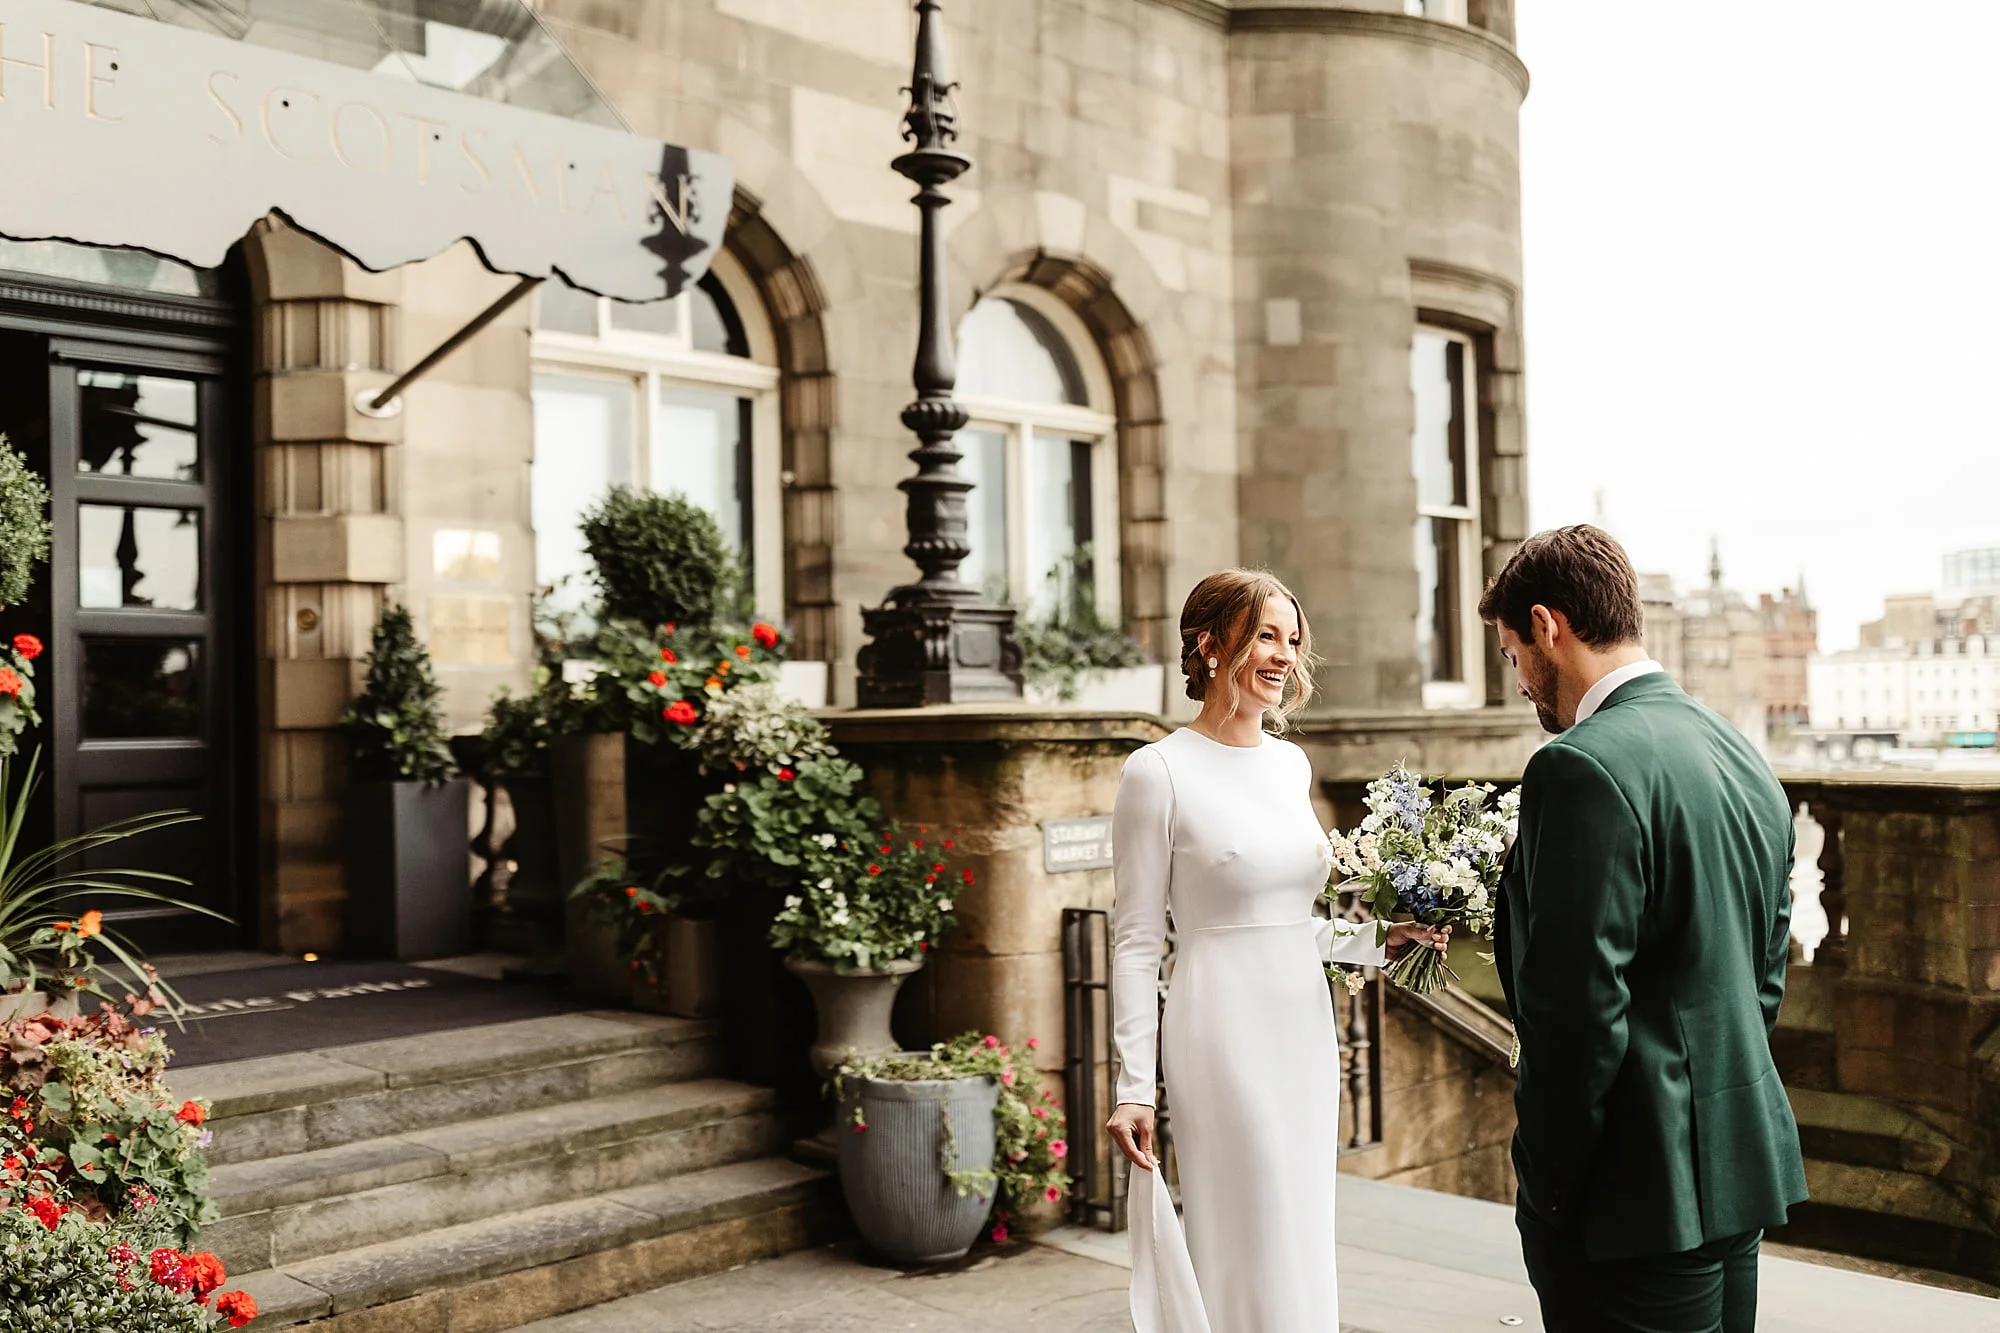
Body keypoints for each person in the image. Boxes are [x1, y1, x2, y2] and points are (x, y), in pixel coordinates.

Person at [1480, 525, 1808, 1333]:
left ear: (1549, 626)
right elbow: (1766, 974)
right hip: (1736, 1167)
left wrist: (1548, 1184)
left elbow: (1578, 1017)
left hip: (1633, 1201)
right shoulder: (1740, 752)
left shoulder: (1579, 766)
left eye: (1512, 652)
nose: (1520, 679)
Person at [1106, 568, 1447, 1333]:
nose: (1283, 655)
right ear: (1209, 642)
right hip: (1220, 1031)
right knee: (1247, 1226)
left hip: (1303, 1028)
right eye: (1265, 634)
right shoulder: (1155, 772)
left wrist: (1378, 939)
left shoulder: (1291, 766)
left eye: (1292, 639)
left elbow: (1291, 921)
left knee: (1300, 1227)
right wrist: (1134, 1084)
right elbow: (1134, 941)